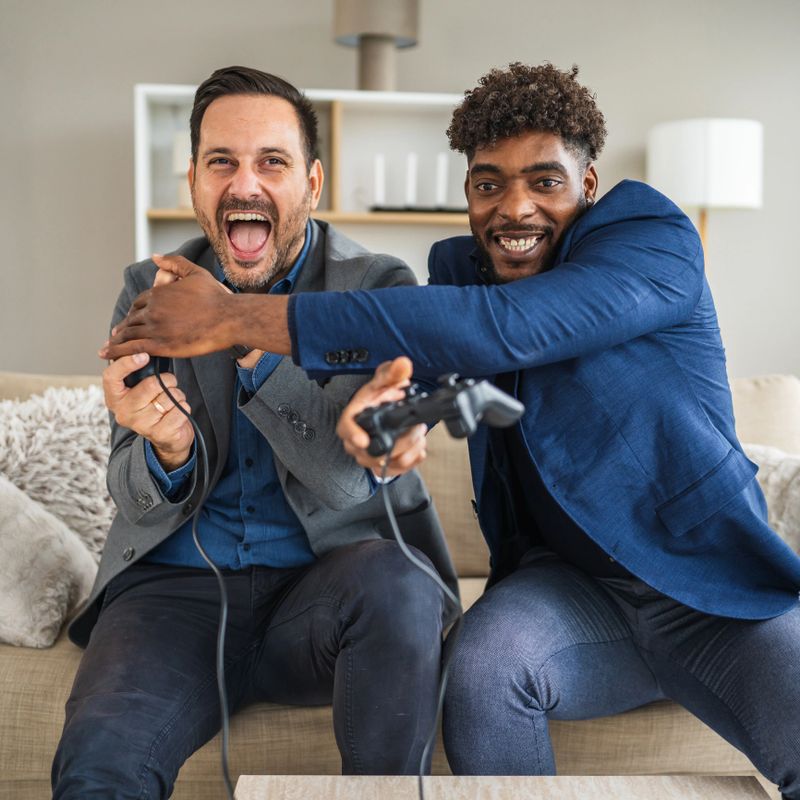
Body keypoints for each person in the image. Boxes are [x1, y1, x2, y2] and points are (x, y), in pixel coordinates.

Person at [101, 63, 800, 798]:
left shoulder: (649, 237)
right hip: (567, 597)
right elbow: (419, 377)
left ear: (588, 186)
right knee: (480, 669)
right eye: (489, 183)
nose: (515, 208)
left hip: (706, 591)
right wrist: (374, 422)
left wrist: (236, 319)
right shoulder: (458, 270)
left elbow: (508, 329)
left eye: (545, 181)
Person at [54, 66, 458, 798]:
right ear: (195, 182)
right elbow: (131, 496)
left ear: (312, 182)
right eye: (222, 163)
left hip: (327, 591)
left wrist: (237, 329)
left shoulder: (377, 291)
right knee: (97, 769)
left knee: (403, 588)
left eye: (271, 162)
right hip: (173, 597)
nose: (245, 184)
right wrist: (165, 453)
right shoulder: (151, 289)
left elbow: (344, 479)